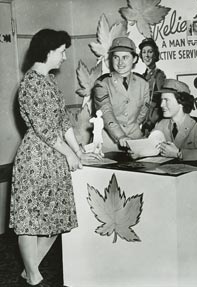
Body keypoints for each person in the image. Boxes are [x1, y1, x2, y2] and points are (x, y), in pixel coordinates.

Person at [9, 29, 101, 286]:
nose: (64, 57)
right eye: (61, 52)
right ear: (48, 51)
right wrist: (69, 153)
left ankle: (30, 269)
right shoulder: (31, 83)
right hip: (36, 158)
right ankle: (35, 276)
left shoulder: (49, 81)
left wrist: (79, 150)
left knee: (56, 219)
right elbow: (45, 129)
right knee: (29, 221)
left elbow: (63, 123)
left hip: (54, 158)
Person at [93, 37, 150, 150]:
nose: (120, 63)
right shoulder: (102, 83)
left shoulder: (143, 83)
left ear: (134, 59)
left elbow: (143, 111)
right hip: (110, 142)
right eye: (116, 57)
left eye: (125, 57)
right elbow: (106, 112)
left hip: (135, 139)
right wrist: (120, 136)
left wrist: (131, 127)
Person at [152, 79, 197, 160]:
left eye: (166, 100)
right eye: (162, 100)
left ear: (181, 102)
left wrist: (179, 153)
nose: (161, 105)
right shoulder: (161, 124)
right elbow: (149, 146)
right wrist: (139, 153)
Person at [138, 38, 166, 136]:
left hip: (153, 122)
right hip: (142, 120)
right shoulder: (142, 77)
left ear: (155, 54)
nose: (147, 55)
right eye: (144, 52)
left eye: (150, 52)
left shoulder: (159, 75)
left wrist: (151, 121)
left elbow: (160, 101)